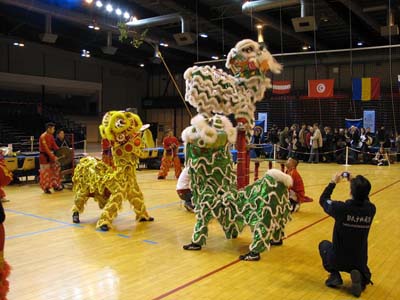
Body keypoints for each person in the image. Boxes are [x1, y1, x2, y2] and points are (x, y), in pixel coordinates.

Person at [319, 172, 376, 297]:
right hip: (358, 260)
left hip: (338, 258)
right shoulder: (371, 210)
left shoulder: (341, 208)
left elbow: (323, 200)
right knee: (361, 267)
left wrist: (332, 182)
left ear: (351, 192)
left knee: (323, 245)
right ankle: (360, 278)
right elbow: (364, 200)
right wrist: (355, 184)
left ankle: (334, 275)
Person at [39, 122, 63, 194]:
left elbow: (55, 146)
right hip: (44, 157)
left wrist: (61, 152)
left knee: (55, 171)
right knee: (45, 173)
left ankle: (55, 185)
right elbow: (46, 149)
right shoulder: (43, 136)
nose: (54, 130)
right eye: (53, 129)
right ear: (49, 129)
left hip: (51, 156)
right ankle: (46, 188)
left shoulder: (51, 136)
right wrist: (53, 157)